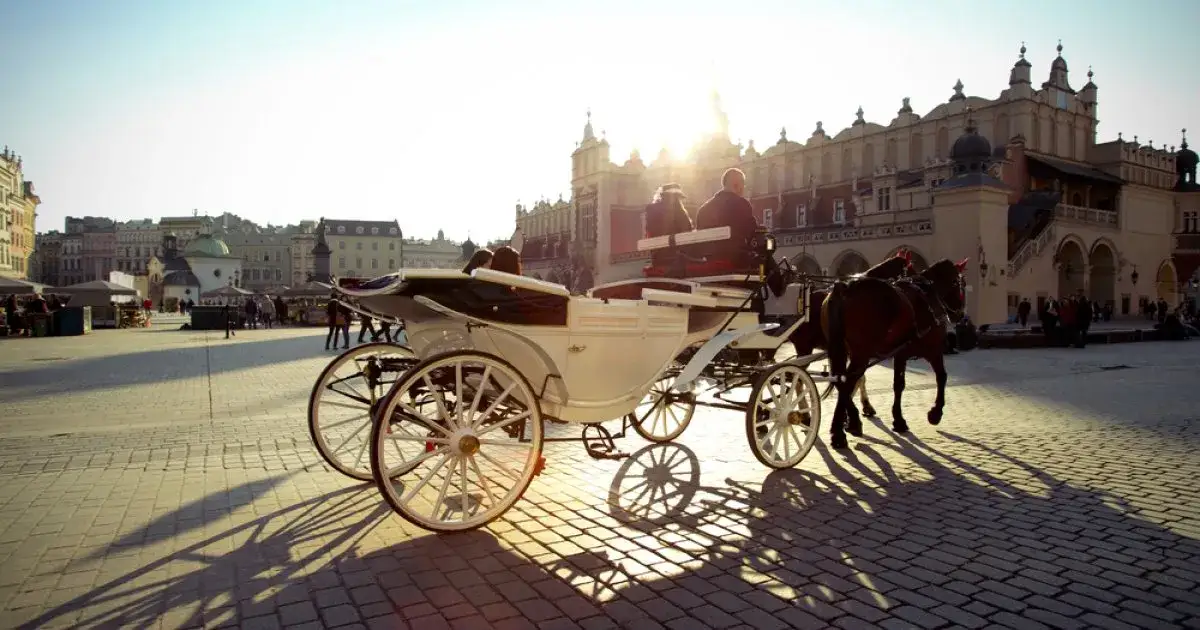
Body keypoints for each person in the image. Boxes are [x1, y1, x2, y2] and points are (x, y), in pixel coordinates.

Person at [694, 168, 760, 266]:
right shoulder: (741, 204)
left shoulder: (703, 210)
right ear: (737, 184)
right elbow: (753, 232)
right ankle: (767, 280)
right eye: (743, 183)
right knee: (765, 263)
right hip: (737, 260)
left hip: (708, 261)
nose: (744, 187)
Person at [644, 183, 694, 269]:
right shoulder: (679, 212)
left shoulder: (651, 210)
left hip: (658, 258)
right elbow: (687, 232)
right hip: (677, 258)